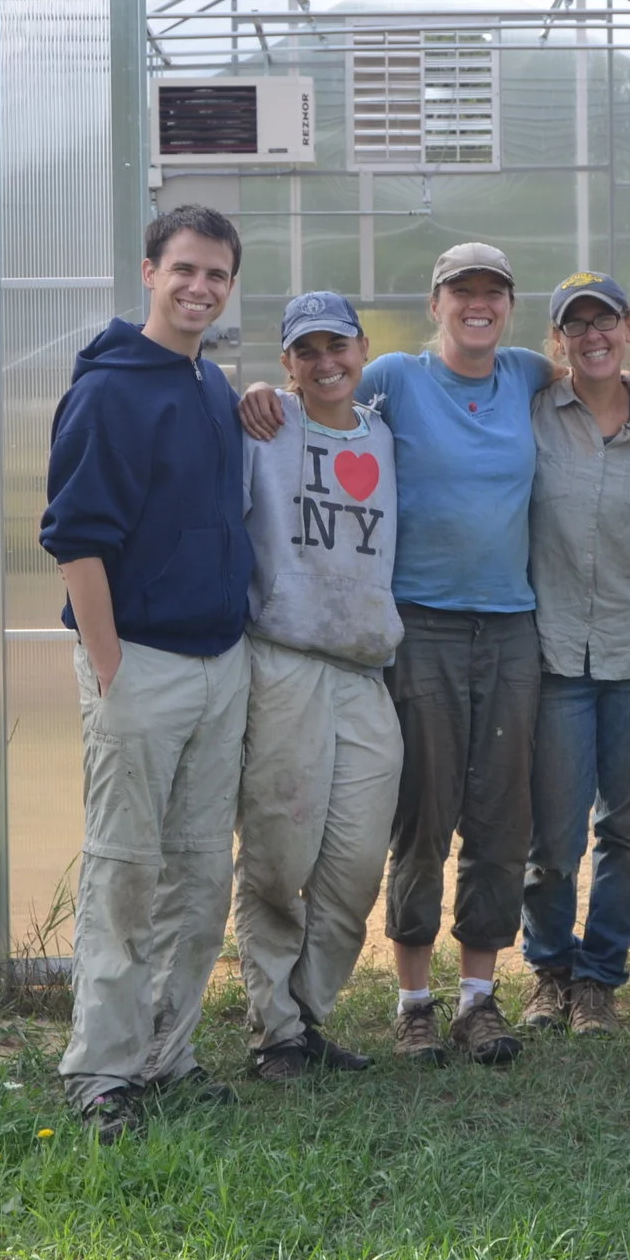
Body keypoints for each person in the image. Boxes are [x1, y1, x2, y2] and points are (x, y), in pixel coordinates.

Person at [243, 245, 630, 1067]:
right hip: (422, 626)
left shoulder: (526, 375)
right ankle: (414, 1000)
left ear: (510, 308)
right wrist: (262, 393)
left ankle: (478, 999)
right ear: (436, 302)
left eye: (492, 294)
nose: (476, 306)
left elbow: (606, 383)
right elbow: (325, 396)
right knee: (424, 810)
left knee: (501, 814)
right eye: (462, 293)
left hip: (515, 625)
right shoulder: (396, 378)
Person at [41, 205, 254, 1142]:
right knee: (126, 870)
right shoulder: (110, 390)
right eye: (184, 270)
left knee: (201, 874)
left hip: (218, 661)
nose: (199, 287)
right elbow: (75, 538)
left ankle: (169, 1053)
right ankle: (100, 1066)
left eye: (216, 274)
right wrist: (110, 664)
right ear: (148, 273)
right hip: (142, 665)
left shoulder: (210, 386)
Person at [233, 291, 404, 1082]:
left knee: (357, 862)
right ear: (287, 364)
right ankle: (275, 1031)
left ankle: (309, 1013)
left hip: (366, 668)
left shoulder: (384, 434)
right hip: (286, 660)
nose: (326, 362)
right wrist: (248, 396)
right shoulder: (264, 428)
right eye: (307, 351)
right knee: (276, 855)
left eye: (338, 346)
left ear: (363, 348)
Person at [518, 272, 630, 1040]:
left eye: (605, 320)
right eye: (576, 325)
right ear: (560, 340)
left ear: (628, 325)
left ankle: (600, 977)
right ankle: (547, 967)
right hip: (552, 654)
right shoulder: (534, 411)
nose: (593, 336)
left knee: (627, 828)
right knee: (553, 834)